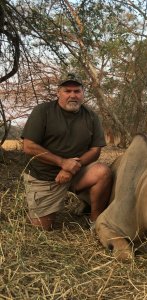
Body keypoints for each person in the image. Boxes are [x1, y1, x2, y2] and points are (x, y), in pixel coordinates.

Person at [21, 72, 112, 230]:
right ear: (58, 93)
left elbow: (95, 150)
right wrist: (62, 163)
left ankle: (95, 221)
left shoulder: (91, 116)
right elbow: (28, 146)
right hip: (45, 176)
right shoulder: (43, 111)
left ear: (83, 93)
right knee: (42, 229)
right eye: (67, 91)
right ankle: (38, 208)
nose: (73, 95)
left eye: (77, 91)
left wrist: (71, 168)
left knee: (102, 171)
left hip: (76, 173)